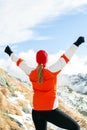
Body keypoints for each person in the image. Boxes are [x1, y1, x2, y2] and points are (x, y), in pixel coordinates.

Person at [4, 36, 85, 130]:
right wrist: (77, 43)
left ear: (37, 60)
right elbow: (66, 57)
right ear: (46, 60)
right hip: (50, 111)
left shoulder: (31, 72)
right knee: (75, 127)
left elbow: (20, 63)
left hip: (36, 112)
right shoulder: (52, 71)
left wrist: (9, 52)